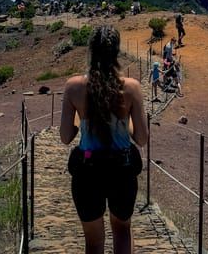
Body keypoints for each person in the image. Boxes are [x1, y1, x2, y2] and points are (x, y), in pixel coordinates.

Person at [60, 26, 148, 254]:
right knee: (122, 232)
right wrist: (124, 123)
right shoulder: (132, 88)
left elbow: (65, 136)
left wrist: (82, 120)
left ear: (91, 51)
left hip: (87, 172)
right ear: (116, 52)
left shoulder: (73, 86)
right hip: (122, 169)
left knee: (93, 242)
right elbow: (141, 138)